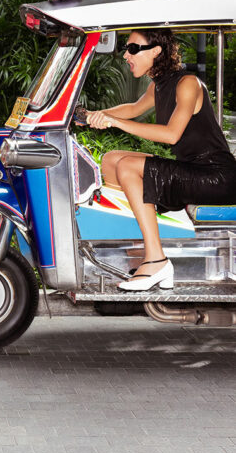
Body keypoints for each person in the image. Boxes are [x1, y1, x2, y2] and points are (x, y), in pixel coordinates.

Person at [86, 27, 236, 292]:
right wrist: (93, 114)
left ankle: (157, 260)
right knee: (111, 160)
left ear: (155, 51)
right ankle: (140, 251)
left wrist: (114, 122)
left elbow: (171, 134)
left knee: (128, 165)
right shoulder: (159, 84)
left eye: (133, 48)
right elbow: (133, 109)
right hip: (193, 170)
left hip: (215, 176)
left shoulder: (187, 83)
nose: (126, 55)